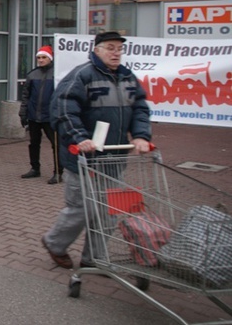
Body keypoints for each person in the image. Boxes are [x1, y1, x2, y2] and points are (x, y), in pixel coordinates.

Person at [41, 31, 152, 270]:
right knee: (82, 209)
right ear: (97, 50)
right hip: (83, 159)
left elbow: (140, 108)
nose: (116, 53)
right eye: (110, 48)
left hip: (113, 160)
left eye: (119, 49)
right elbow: (63, 110)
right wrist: (80, 138)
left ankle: (94, 258)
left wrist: (141, 136)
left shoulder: (127, 78)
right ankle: (55, 243)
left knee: (108, 212)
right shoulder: (82, 76)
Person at [18, 45, 62, 184]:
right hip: (33, 116)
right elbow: (26, 95)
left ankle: (58, 172)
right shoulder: (32, 74)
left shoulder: (58, 74)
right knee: (34, 143)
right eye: (39, 58)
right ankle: (35, 168)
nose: (41, 60)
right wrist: (23, 113)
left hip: (50, 117)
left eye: (44, 57)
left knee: (56, 145)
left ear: (50, 58)